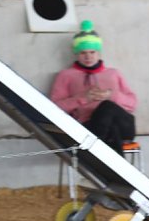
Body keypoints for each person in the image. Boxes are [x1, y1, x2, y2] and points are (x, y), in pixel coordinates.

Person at [50, 20, 137, 156]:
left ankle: (94, 153)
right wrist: (83, 98)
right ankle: (114, 173)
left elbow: (132, 103)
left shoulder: (113, 73)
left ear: (99, 53)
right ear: (76, 54)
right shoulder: (66, 75)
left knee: (107, 106)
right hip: (88, 126)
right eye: (83, 53)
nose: (88, 57)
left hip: (123, 126)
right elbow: (55, 109)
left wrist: (110, 96)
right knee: (111, 129)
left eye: (92, 52)